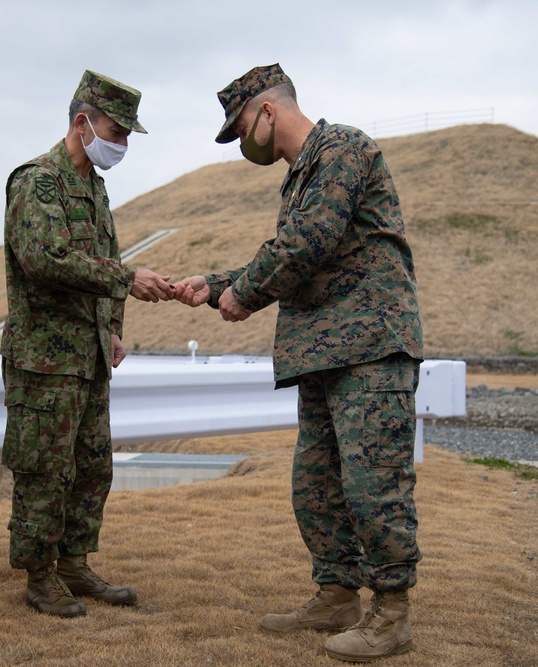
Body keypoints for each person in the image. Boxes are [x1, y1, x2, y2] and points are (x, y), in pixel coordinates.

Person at [174, 63, 424, 662]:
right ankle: (336, 594)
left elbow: (307, 240)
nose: (240, 146)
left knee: (373, 487)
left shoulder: (341, 148)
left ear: (267, 111)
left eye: (239, 131)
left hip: (369, 349)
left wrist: (245, 293)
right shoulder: (302, 174)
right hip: (324, 353)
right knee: (315, 487)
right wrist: (214, 285)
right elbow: (295, 255)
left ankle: (391, 613)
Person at [1, 69, 173, 618]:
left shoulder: (95, 189)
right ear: (83, 122)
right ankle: (40, 574)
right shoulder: (37, 181)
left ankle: (74, 563)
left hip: (88, 356)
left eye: (126, 134)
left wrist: (115, 325)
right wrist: (125, 280)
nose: (121, 144)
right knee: (44, 468)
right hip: (44, 360)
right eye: (116, 131)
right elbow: (43, 259)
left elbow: (103, 257)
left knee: (92, 466)